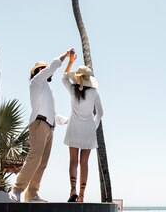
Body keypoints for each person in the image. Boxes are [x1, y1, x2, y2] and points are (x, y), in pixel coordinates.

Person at [8, 48, 74, 203]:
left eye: (45, 69)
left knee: (42, 162)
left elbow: (54, 115)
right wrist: (65, 55)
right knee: (35, 157)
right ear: (36, 72)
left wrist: (69, 120)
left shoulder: (47, 90)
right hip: (39, 123)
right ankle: (17, 189)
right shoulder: (36, 82)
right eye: (41, 69)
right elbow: (53, 66)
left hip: (50, 127)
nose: (45, 70)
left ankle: (32, 194)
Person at [62, 52, 103, 202]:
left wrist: (70, 62)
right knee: (84, 162)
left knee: (73, 161)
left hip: (74, 128)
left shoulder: (73, 89)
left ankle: (72, 190)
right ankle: (81, 195)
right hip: (88, 130)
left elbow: (64, 77)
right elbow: (100, 113)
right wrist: (94, 124)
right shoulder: (94, 92)